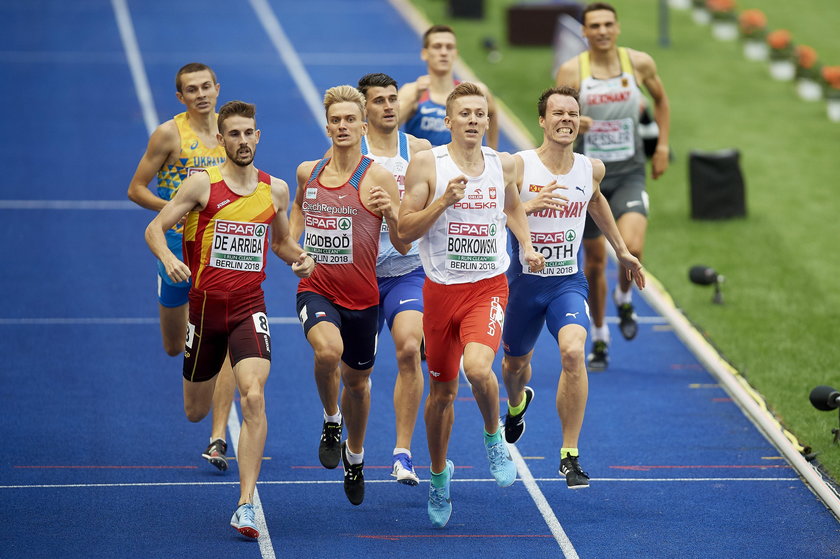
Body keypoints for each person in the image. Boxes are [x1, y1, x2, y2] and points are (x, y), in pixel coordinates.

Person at [145, 101, 315, 538]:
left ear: (259, 136)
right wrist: (168, 258)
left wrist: (302, 259)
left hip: (248, 307)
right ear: (221, 139)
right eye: (234, 134)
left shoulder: (275, 190)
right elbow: (155, 229)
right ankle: (211, 410)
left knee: (253, 395)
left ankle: (245, 504)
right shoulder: (202, 184)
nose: (243, 141)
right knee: (194, 411)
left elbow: (281, 243)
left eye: (249, 133)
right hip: (203, 310)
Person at [399, 82, 545, 528]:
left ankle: (493, 436)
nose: (473, 120)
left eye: (480, 114)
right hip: (440, 292)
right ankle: (440, 477)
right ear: (448, 120)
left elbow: (513, 207)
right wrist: (443, 201)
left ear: (487, 120)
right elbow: (404, 230)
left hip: (488, 287)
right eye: (464, 113)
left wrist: (526, 245)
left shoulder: (502, 165)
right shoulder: (428, 163)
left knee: (479, 369)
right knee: (441, 394)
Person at [500, 86, 645, 490]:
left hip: (567, 282)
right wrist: (528, 217)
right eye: (557, 113)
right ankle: (516, 405)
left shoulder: (590, 168)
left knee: (572, 352)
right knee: (513, 369)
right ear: (542, 121)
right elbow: (496, 210)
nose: (565, 120)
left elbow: (596, 200)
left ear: (579, 122)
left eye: (572, 114)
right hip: (522, 287)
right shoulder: (519, 166)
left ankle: (569, 454)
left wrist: (621, 251)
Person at [290, 85, 409, 506]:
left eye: (348, 120)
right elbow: (295, 221)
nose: (342, 127)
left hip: (363, 298)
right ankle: (330, 420)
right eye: (335, 121)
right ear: (327, 126)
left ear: (363, 125)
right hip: (317, 289)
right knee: (326, 353)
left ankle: (355, 459)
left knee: (358, 385)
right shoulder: (309, 172)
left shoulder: (376, 175)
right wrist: (296, 253)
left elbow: (405, 242)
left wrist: (393, 213)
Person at [127, 62, 236, 470]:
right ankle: (196, 363)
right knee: (175, 346)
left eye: (207, 86)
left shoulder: (232, 132)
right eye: (192, 89)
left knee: (225, 334)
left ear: (217, 88)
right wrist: (177, 210)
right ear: (181, 97)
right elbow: (136, 188)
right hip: (175, 249)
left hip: (219, 251)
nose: (201, 94)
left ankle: (219, 436)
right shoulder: (169, 134)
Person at [555, 2, 670, 370]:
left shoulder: (638, 63)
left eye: (608, 24)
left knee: (632, 246)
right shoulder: (573, 70)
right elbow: (553, 119)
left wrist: (662, 146)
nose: (602, 31)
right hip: (589, 177)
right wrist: (574, 123)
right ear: (584, 32)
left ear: (617, 28)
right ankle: (601, 335)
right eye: (594, 25)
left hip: (630, 170)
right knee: (594, 262)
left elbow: (661, 100)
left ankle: (623, 294)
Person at [357, 73, 432, 486]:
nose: (389, 106)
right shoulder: (351, 152)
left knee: (408, 349)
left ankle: (402, 453)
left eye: (393, 99)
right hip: (361, 274)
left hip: (408, 271)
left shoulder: (419, 150)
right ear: (363, 111)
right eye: (380, 101)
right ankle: (348, 436)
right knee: (357, 371)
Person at [398, 24, 499, 149]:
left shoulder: (474, 92)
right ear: (425, 53)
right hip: (424, 167)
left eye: (449, 47)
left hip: (461, 167)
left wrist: (493, 151)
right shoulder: (411, 91)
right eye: (437, 47)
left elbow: (492, 114)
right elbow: (388, 128)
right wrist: (412, 100)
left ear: (456, 54)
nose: (444, 52)